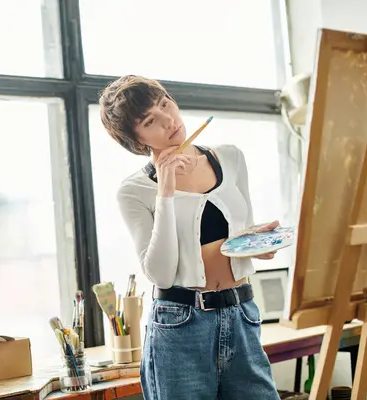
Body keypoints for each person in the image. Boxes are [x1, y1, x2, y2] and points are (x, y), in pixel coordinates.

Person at [99, 75, 280, 399]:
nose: (169, 120)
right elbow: (161, 274)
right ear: (138, 141)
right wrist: (165, 191)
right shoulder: (134, 191)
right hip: (180, 325)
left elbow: (240, 234)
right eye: (151, 120)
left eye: (165, 103)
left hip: (241, 313)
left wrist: (257, 243)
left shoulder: (230, 157)